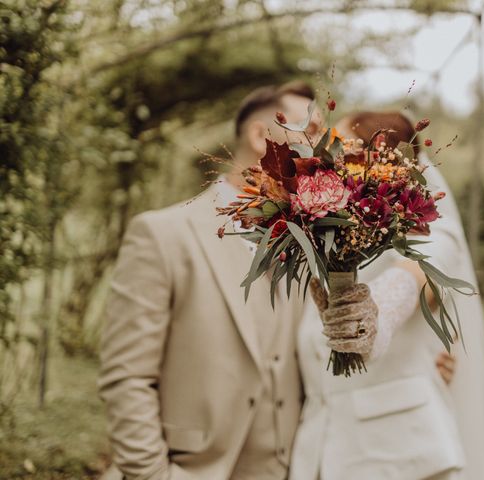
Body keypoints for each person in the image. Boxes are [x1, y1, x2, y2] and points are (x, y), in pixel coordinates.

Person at [98, 81, 321, 480]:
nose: (325, 150)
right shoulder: (162, 234)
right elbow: (127, 377)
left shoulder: (314, 245)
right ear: (260, 136)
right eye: (313, 132)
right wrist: (154, 475)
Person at [289, 111, 484, 480]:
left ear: (377, 160)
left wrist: (369, 318)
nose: (329, 160)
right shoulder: (333, 238)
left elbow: (415, 278)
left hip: (400, 458)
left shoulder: (436, 237)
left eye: (340, 147)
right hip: (318, 449)